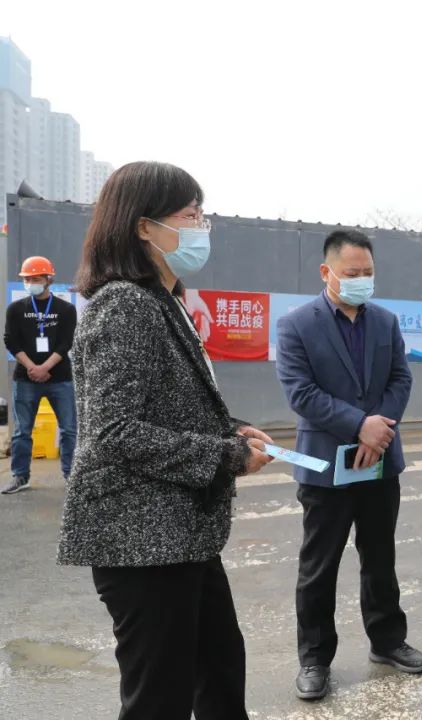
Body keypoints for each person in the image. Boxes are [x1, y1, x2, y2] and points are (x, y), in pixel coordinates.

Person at [58, 161, 274, 719]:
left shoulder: (162, 300)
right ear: (143, 226)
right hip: (142, 541)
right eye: (190, 215)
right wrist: (225, 455)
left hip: (180, 535)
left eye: (203, 215)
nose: (202, 228)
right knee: (160, 699)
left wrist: (230, 429)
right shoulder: (124, 305)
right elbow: (114, 430)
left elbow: (167, 405)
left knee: (219, 672)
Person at [275, 229, 422, 701]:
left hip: (379, 463)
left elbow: (400, 379)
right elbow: (301, 393)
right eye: (351, 273)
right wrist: (360, 424)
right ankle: (315, 658)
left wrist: (379, 432)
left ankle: (388, 641)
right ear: (327, 272)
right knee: (318, 567)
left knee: (380, 559)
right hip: (325, 467)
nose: (362, 279)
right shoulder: (296, 325)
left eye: (368, 272)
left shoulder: (385, 321)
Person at [2, 256, 78, 494]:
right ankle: (20, 476)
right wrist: (32, 367)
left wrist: (45, 367)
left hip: (61, 379)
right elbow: (10, 341)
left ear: (48, 279)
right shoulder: (16, 309)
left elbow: (66, 342)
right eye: (28, 279)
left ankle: (72, 475)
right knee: (22, 431)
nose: (31, 283)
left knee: (69, 429)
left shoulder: (66, 309)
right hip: (26, 379)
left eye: (36, 278)